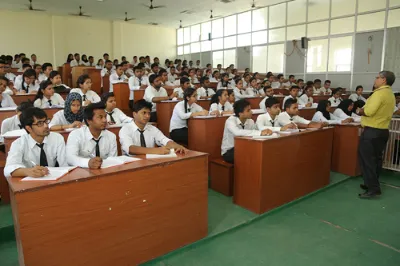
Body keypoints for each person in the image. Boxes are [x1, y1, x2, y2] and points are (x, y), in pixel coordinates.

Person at [357, 71, 396, 198]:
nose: (375, 79)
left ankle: (373, 189)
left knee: (367, 160)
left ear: (383, 80)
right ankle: (371, 183)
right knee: (376, 159)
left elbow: (369, 111)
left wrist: (360, 110)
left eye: (377, 77)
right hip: (383, 131)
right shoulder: (390, 93)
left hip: (372, 131)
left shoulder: (379, 93)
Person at [4, 107, 68, 178]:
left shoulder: (57, 138)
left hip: (53, 178)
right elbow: (8, 169)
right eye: (40, 123)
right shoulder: (19, 143)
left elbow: (64, 164)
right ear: (29, 128)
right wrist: (28, 171)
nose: (46, 126)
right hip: (30, 183)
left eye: (46, 121)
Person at [119, 100, 187, 155]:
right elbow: (131, 149)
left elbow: (165, 140)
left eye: (149, 113)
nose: (147, 116)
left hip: (149, 162)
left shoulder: (152, 128)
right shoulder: (125, 129)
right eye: (144, 113)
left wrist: (177, 146)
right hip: (132, 164)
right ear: (134, 114)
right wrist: (156, 151)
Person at [66, 102, 117, 169]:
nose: (105, 120)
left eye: (105, 117)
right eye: (100, 117)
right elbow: (70, 158)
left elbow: (113, 160)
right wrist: (87, 163)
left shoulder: (111, 136)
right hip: (82, 173)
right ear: (89, 121)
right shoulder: (76, 135)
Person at [221, 99, 272, 163]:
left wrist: (265, 131)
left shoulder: (250, 121)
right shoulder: (230, 121)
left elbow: (255, 132)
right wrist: (260, 133)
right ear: (240, 114)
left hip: (244, 147)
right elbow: (237, 132)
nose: (251, 112)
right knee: (250, 155)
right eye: (248, 110)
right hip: (229, 151)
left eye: (250, 109)